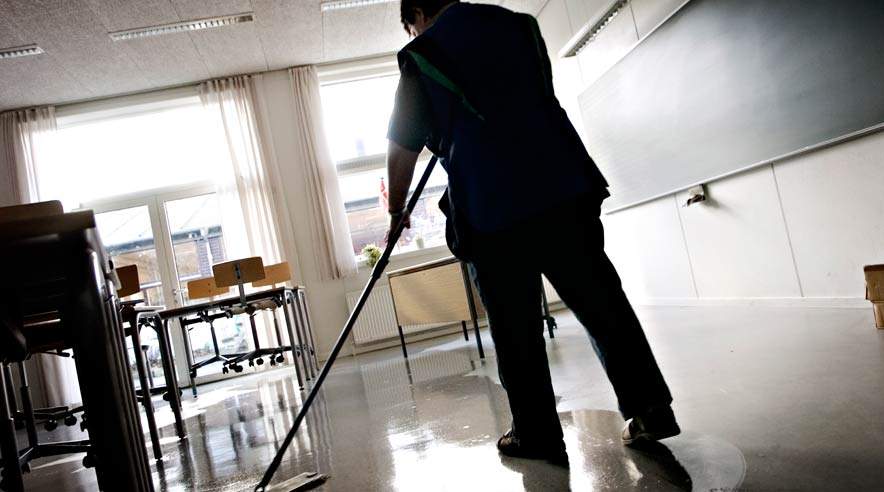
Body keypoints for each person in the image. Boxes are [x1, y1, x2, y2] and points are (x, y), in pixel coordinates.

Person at [384, 0, 679, 465]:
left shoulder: (421, 55)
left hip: (493, 208)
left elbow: (402, 148)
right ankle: (650, 408)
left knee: (515, 328)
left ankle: (538, 434)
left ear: (417, 14)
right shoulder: (520, 27)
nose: (411, 36)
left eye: (409, 27)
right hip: (564, 186)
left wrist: (397, 210)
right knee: (604, 304)